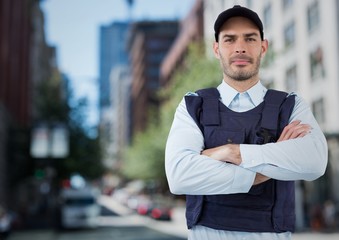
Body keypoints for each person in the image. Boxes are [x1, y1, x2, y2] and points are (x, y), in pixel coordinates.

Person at [165, 5, 328, 240]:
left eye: (249, 38)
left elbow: (315, 163)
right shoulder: (193, 105)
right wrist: (272, 164)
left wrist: (228, 152)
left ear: (263, 47)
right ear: (216, 49)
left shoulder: (291, 105)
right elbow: (179, 177)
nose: (240, 47)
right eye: (229, 39)